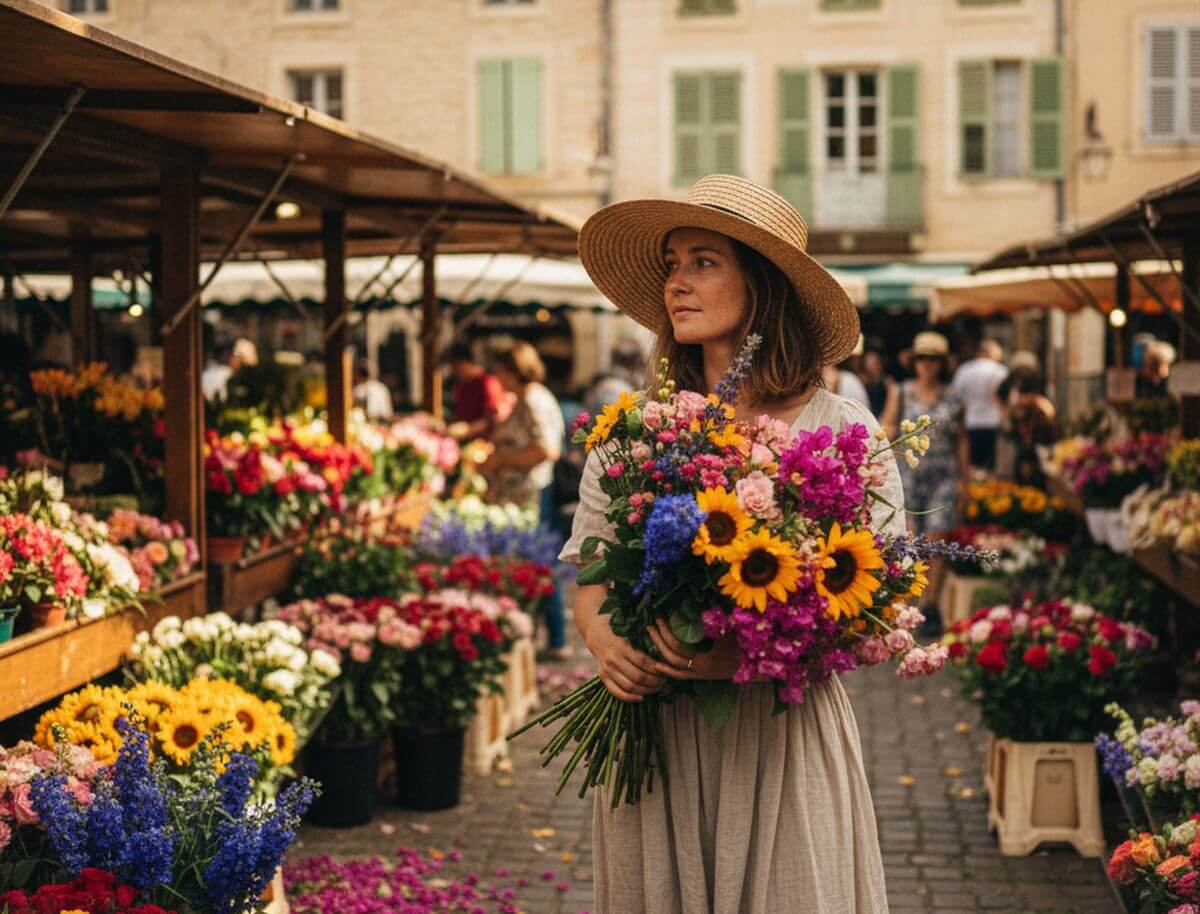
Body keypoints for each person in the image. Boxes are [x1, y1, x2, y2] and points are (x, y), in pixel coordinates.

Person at [563, 174, 903, 913]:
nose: (676, 283)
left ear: (764, 284)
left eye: (703, 261)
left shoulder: (841, 430)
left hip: (778, 736)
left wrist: (746, 650)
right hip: (656, 737)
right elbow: (590, 576)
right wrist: (603, 643)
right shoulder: (632, 429)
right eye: (671, 264)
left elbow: (873, 602)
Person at [484, 341, 569, 658]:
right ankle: (533, 633)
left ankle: (555, 637)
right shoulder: (525, 399)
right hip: (520, 495)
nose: (496, 376)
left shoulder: (534, 400)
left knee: (538, 563)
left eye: (499, 370)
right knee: (531, 564)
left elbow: (546, 449)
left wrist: (501, 460)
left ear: (511, 370)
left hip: (532, 494)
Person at [882, 332, 967, 635]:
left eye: (933, 359)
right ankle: (910, 605)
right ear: (915, 362)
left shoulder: (954, 396)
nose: (927, 365)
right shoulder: (902, 392)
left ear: (941, 364)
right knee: (910, 542)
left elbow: (961, 440)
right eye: (922, 359)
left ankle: (931, 604)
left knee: (936, 541)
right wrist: (880, 452)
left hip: (943, 474)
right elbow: (889, 425)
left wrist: (964, 481)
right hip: (908, 475)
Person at [951, 338, 1008, 472]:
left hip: (970, 422)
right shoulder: (1001, 371)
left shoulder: (964, 370)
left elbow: (955, 397)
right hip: (994, 423)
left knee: (971, 467)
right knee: (991, 469)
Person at [443, 342, 506, 441]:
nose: (453, 371)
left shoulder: (487, 383)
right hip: (465, 441)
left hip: (483, 443)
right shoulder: (461, 385)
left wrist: (467, 429)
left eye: (454, 366)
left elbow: (492, 420)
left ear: (464, 363)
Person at [860, 346, 899, 431]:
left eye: (875, 363)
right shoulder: (863, 382)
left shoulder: (887, 382)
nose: (872, 367)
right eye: (869, 364)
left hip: (882, 422)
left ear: (881, 363)